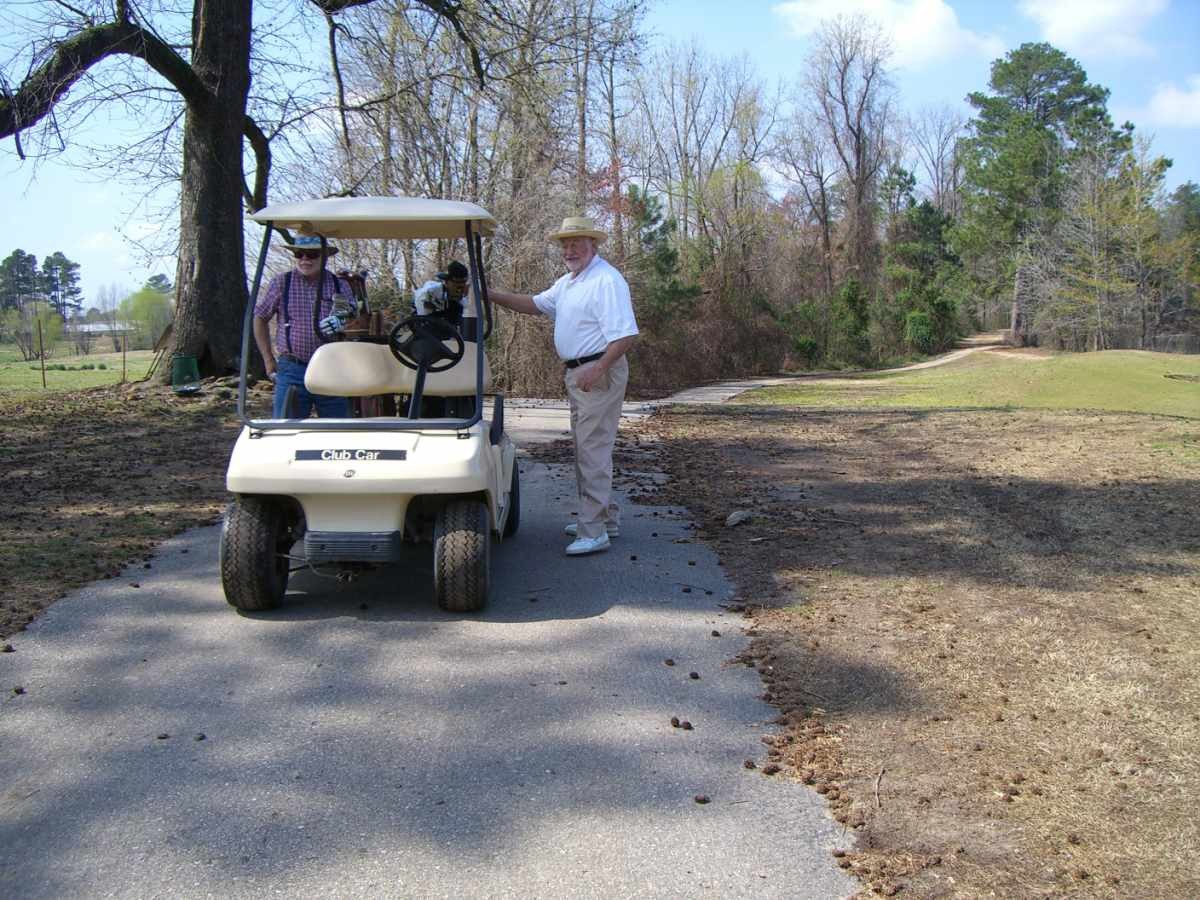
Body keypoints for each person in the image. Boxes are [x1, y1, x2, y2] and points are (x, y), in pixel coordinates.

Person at [490, 216, 639, 557]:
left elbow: (626, 335)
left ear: (593, 245)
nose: (569, 250)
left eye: (576, 244)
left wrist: (598, 368)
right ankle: (604, 518)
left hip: (598, 371)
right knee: (587, 447)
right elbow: (534, 304)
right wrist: (489, 295)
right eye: (565, 245)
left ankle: (594, 530)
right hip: (580, 373)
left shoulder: (606, 280)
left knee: (592, 449)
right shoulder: (569, 283)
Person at [253, 234, 355, 419]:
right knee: (285, 427)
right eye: (299, 254)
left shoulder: (339, 285)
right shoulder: (281, 282)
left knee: (338, 428)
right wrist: (268, 359)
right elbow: (260, 318)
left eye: (312, 254)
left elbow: (354, 317)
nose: (305, 259)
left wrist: (342, 320)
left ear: (324, 256)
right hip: (292, 368)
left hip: (331, 367)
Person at [411, 259, 470, 326]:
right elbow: (423, 319)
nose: (459, 290)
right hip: (422, 313)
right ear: (447, 282)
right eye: (456, 285)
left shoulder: (461, 299)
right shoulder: (429, 293)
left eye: (463, 285)